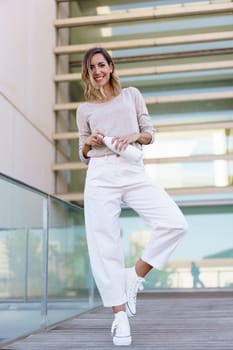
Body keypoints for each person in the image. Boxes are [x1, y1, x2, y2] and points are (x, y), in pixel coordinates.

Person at [76, 47, 188, 346]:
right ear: (87, 74)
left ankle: (134, 277)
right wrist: (89, 143)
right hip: (100, 173)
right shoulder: (84, 109)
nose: (97, 71)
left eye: (101, 65)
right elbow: (83, 153)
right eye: (91, 68)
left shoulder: (132, 95)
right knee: (104, 244)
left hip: (132, 166)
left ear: (111, 67)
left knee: (175, 223)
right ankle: (120, 317)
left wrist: (135, 136)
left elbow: (149, 132)